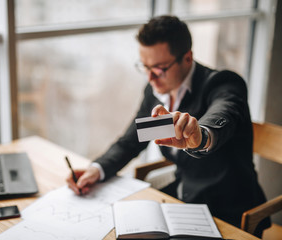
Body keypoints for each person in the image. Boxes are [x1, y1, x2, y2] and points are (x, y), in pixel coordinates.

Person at [66, 15, 270, 237]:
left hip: (231, 207)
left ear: (187, 58)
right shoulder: (155, 91)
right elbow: (131, 141)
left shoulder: (223, 83)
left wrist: (200, 136)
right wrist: (96, 170)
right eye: (145, 67)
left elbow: (225, 113)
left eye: (160, 68)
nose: (151, 78)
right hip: (186, 199)